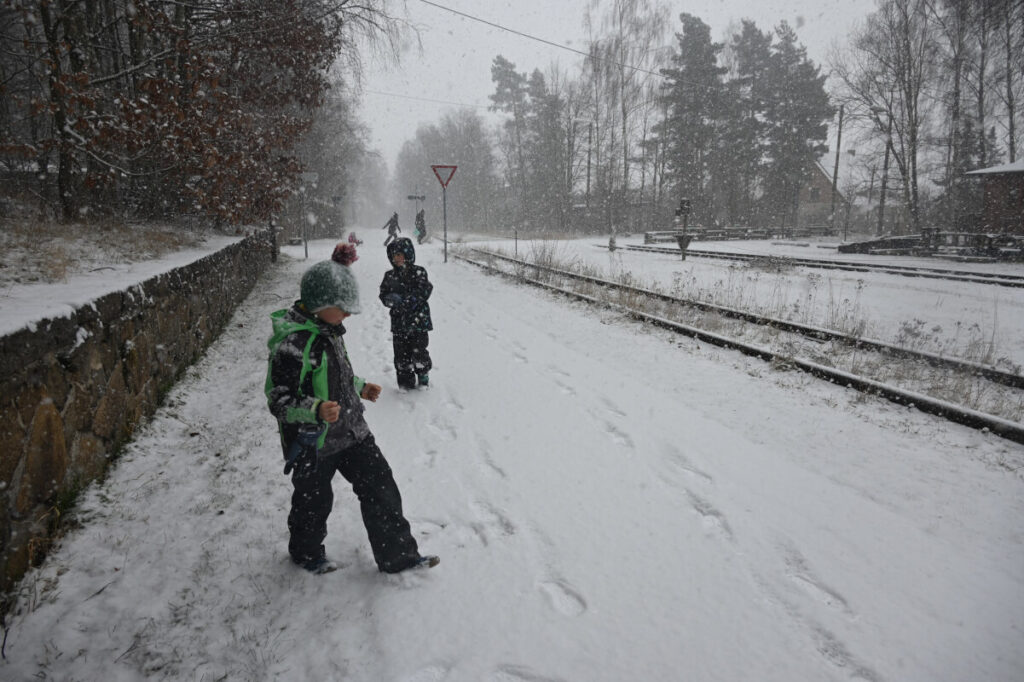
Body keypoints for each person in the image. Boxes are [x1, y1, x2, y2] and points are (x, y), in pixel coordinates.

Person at [265, 241, 438, 575]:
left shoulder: (328, 329)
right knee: (313, 502)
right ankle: (305, 552)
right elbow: (279, 399)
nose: (347, 314)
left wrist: (360, 386)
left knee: (381, 487)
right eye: (341, 307)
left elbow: (336, 375)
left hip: (352, 431)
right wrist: (314, 410)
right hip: (313, 442)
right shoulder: (293, 345)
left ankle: (398, 557)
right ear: (318, 304)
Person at [379, 237, 433, 390]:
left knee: (419, 352)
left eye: (399, 255)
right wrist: (390, 300)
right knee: (401, 355)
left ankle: (423, 377)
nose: (396, 259)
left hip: (418, 323)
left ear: (408, 255)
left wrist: (410, 300)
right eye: (393, 256)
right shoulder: (389, 276)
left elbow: (425, 290)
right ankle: (405, 383)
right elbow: (383, 294)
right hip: (399, 323)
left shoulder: (419, 272)